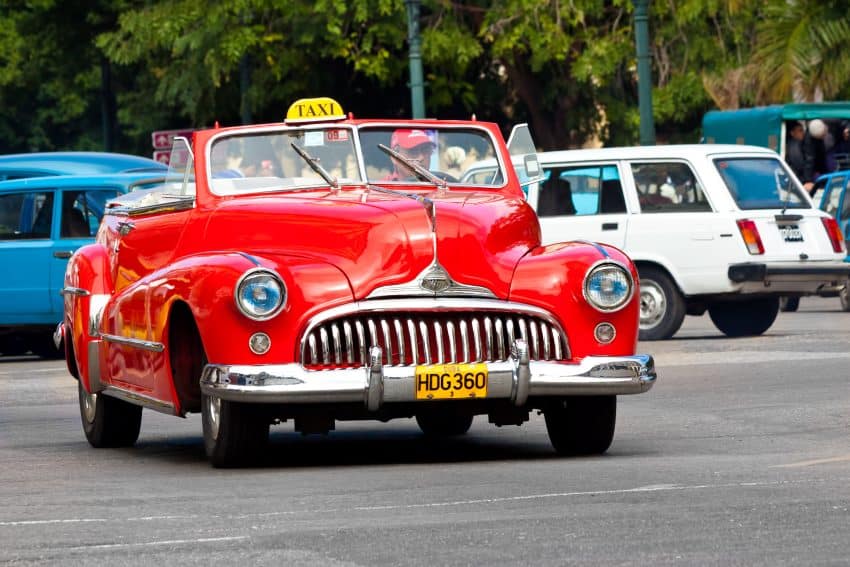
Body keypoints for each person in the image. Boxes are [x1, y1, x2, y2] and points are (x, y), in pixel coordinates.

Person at [785, 121, 815, 193]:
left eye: (803, 130)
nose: (803, 133)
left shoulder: (795, 145)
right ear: (792, 133)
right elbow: (799, 164)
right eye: (800, 131)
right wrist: (807, 180)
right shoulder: (794, 146)